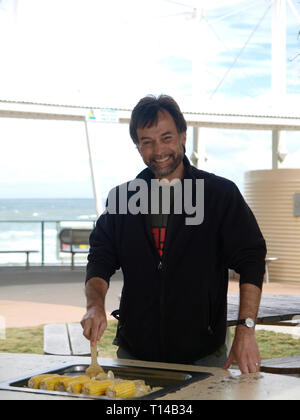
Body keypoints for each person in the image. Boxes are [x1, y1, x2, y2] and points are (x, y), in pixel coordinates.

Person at [81, 94, 267, 374]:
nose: (158, 150)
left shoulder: (219, 194)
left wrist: (246, 329)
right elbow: (100, 257)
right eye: (147, 141)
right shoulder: (121, 198)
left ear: (182, 136)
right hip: (135, 354)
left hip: (203, 355)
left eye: (166, 138)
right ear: (138, 147)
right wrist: (95, 306)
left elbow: (251, 258)